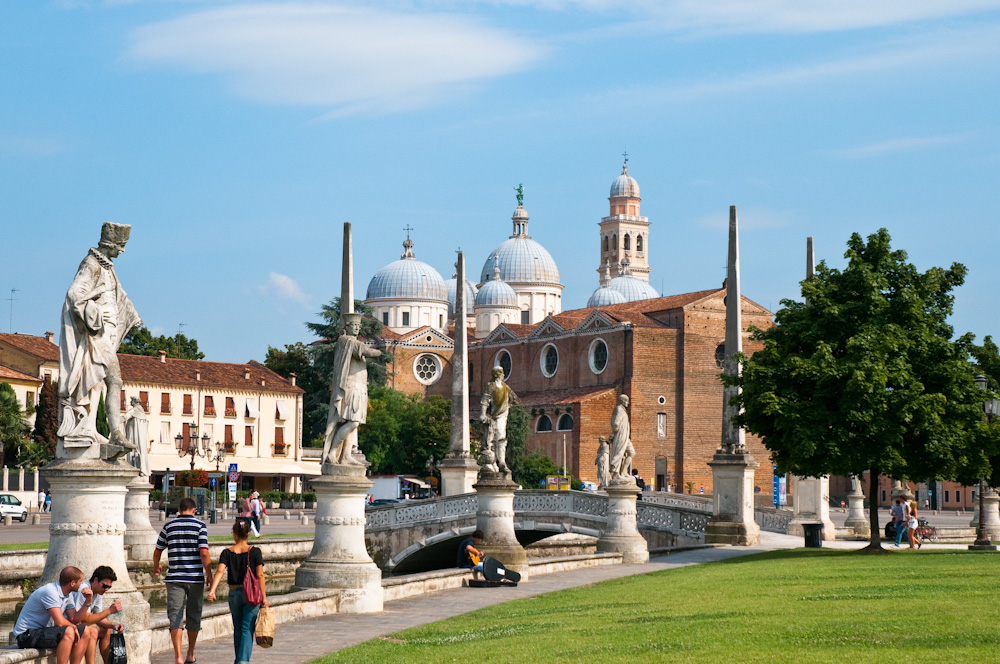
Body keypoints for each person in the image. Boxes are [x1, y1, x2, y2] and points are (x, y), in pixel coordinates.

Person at [57, 222, 142, 454]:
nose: (122, 250)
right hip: (98, 334)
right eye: (121, 245)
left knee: (98, 383)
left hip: (107, 334)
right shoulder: (91, 263)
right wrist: (95, 314)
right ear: (110, 243)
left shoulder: (107, 267)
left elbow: (116, 296)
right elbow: (75, 294)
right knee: (114, 380)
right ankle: (116, 434)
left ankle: (92, 427)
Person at [153, 497, 212, 664]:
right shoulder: (200, 526)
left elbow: (157, 551)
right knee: (194, 616)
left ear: (179, 510)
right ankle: (190, 653)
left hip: (174, 578)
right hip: (195, 579)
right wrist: (209, 573)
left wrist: (156, 566)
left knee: (175, 617)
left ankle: (178, 655)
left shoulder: (168, 526)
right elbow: (204, 553)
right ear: (194, 510)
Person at [321, 312, 383, 466]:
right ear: (347, 327)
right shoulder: (348, 341)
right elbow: (369, 352)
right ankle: (333, 452)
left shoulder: (346, 342)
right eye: (354, 325)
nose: (356, 328)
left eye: (358, 326)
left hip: (358, 386)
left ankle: (346, 455)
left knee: (351, 422)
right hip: (352, 387)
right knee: (353, 421)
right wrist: (380, 351)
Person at [207, 520, 268, 664]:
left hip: (234, 594)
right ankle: (242, 661)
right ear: (248, 534)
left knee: (238, 629)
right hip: (252, 594)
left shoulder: (226, 553)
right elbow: (260, 576)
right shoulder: (255, 552)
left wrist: (213, 590)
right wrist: (264, 598)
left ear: (234, 535)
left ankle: (239, 660)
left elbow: (220, 571)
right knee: (247, 629)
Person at [13, 566, 97, 664]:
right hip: (26, 635)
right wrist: (73, 627)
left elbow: (74, 619)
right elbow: (60, 622)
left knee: (85, 630)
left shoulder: (68, 594)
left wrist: (87, 602)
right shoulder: (50, 592)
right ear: (72, 583)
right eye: (80, 581)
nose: (82, 583)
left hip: (43, 632)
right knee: (69, 631)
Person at [66, 566, 124, 664]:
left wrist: (113, 625)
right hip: (70, 625)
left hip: (78, 626)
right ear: (96, 580)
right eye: (105, 586)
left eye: (109, 587)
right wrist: (109, 611)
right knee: (92, 631)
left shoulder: (98, 592)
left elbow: (98, 617)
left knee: (107, 630)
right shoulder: (84, 590)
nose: (106, 589)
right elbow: (85, 620)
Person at [479, 366, 519, 475]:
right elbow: (485, 401)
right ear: (499, 374)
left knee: (501, 437)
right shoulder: (491, 386)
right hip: (492, 416)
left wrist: (508, 405)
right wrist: (483, 414)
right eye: (501, 373)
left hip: (502, 415)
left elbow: (515, 400)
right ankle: (492, 463)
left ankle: (501, 462)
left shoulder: (505, 388)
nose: (503, 375)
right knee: (490, 439)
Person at [609, 394, 635, 481]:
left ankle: (624, 472)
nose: (628, 403)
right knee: (619, 453)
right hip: (620, 435)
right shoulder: (619, 409)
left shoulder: (623, 410)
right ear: (623, 401)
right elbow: (616, 423)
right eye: (627, 401)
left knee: (631, 453)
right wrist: (614, 432)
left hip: (626, 436)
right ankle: (616, 474)